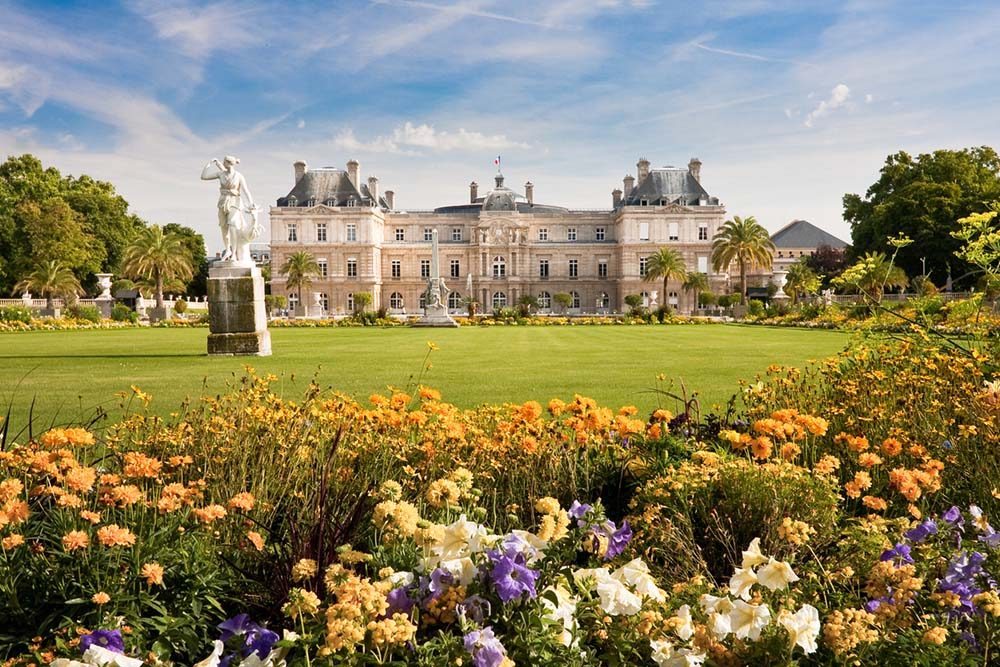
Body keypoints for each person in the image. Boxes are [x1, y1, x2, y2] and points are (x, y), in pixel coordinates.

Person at [201, 156, 256, 262]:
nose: (222, 163)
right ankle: (228, 250)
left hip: (235, 202)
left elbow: (245, 190)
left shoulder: (239, 176)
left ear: (228, 163)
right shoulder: (221, 174)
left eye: (224, 162)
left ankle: (234, 253)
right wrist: (209, 165)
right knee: (223, 227)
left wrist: (251, 202)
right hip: (223, 202)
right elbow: (203, 177)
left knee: (232, 226)